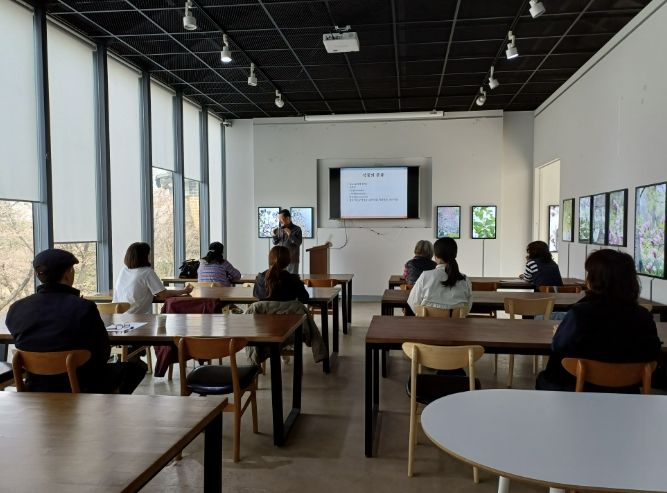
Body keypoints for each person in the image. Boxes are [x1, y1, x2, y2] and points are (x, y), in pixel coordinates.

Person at [6, 249, 146, 393]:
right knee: (136, 368)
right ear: (68, 274)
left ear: (39, 275)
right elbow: (103, 353)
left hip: (35, 387)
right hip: (81, 386)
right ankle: (104, 406)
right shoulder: (83, 308)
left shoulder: (16, 309)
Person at [536, 249, 661, 392]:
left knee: (543, 378)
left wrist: (558, 334)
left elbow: (558, 348)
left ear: (595, 280)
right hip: (626, 393)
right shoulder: (643, 316)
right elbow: (652, 353)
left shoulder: (579, 314)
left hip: (576, 391)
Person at [113, 242, 193, 314]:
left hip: (116, 316)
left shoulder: (124, 270)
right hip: (134, 318)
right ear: (144, 256)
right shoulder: (147, 272)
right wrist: (184, 291)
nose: (150, 256)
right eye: (149, 253)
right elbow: (163, 294)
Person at [407, 237, 472, 314]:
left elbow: (413, 303)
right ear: (455, 255)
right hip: (457, 322)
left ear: (435, 256)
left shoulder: (425, 276)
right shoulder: (465, 279)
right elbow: (467, 308)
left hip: (428, 321)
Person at [272, 209, 302, 274]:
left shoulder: (297, 229)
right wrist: (274, 235)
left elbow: (298, 243)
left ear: (288, 218)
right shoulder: (279, 229)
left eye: (281, 219)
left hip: (292, 259)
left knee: (292, 279)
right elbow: (275, 242)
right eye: (279, 219)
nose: (280, 222)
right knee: (281, 279)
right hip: (280, 259)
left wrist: (290, 234)